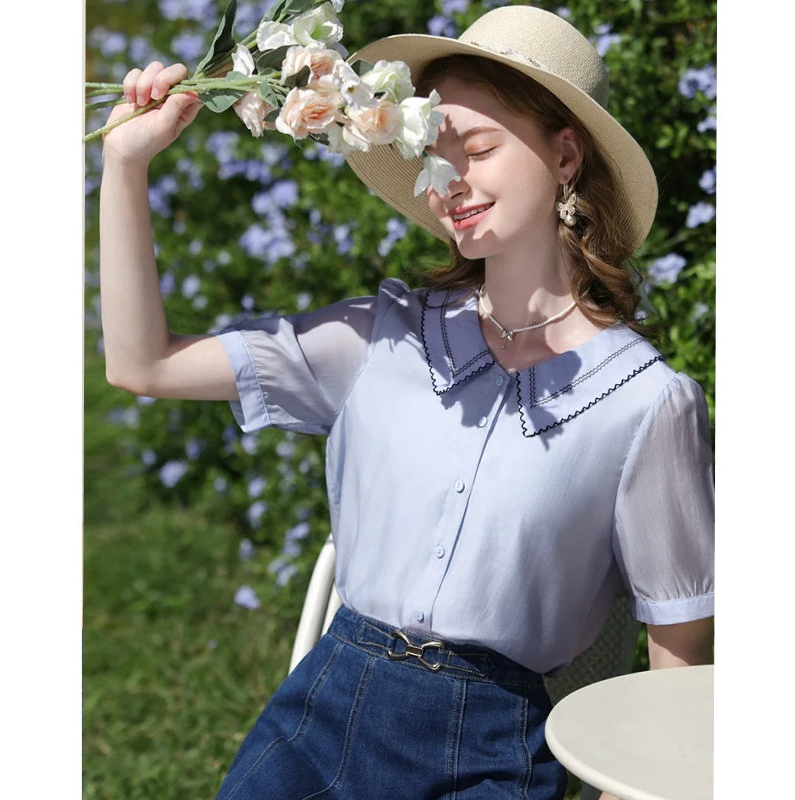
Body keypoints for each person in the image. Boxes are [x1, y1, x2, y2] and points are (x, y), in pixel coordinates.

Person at [98, 4, 714, 799]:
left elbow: (679, 653)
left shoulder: (647, 402)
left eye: (481, 147)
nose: (450, 179)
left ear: (565, 154)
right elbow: (142, 365)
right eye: (432, 153)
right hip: (318, 720)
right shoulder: (379, 338)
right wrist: (125, 166)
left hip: (490, 750)